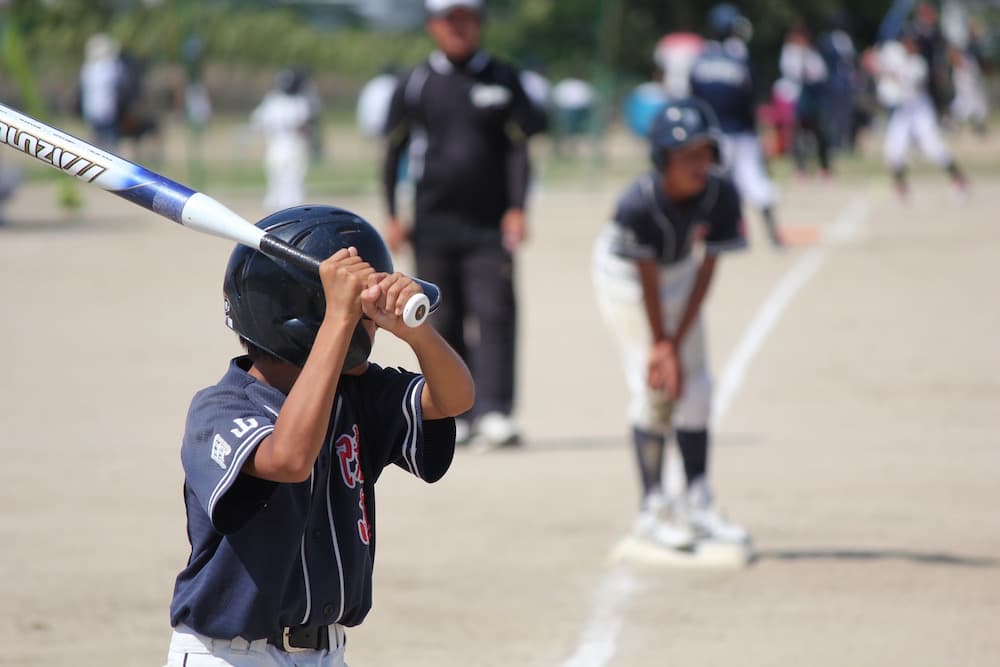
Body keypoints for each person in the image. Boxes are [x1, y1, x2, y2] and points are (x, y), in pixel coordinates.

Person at [163, 206, 474, 667]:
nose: (370, 325)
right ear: (310, 323)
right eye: (361, 317)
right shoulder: (220, 408)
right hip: (229, 655)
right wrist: (339, 322)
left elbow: (454, 399)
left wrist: (418, 333)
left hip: (326, 654)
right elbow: (289, 457)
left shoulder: (359, 394)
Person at [382, 0, 546, 446]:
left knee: (495, 311)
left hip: (489, 225)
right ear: (434, 25)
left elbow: (518, 149)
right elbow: (394, 150)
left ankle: (495, 410)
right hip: (432, 223)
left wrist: (517, 207)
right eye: (450, 19)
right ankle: (460, 409)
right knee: (439, 314)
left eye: (467, 18)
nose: (459, 28)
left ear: (479, 23)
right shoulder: (415, 82)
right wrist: (395, 215)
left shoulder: (502, 78)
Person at [592, 98, 751, 552]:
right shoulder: (637, 205)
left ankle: (698, 498)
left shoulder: (722, 193)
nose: (698, 165)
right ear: (662, 159)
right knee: (655, 385)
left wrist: (676, 342)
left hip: (680, 272)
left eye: (704, 153)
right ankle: (652, 507)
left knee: (698, 386)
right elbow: (644, 282)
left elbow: (706, 270)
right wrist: (661, 347)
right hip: (625, 277)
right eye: (685, 156)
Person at [690, 4, 784, 248]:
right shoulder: (740, 59)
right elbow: (751, 97)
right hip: (741, 134)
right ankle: (773, 235)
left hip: (712, 135)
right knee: (754, 182)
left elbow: (695, 98)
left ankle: (711, 233)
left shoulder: (701, 59)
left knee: (708, 186)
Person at [869, 31, 967, 199]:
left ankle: (958, 179)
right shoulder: (894, 53)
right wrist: (873, 60)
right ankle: (900, 186)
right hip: (902, 110)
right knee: (893, 149)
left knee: (933, 146)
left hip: (920, 109)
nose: (909, 46)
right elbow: (874, 59)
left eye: (912, 43)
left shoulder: (919, 64)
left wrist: (882, 70)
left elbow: (903, 80)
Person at [251, 68, 314, 212]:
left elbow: (258, 123)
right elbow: (304, 126)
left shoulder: (271, 102)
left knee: (275, 186)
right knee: (294, 186)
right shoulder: (299, 102)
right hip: (294, 146)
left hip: (275, 147)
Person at [780, 24, 832, 177]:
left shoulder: (813, 54)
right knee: (796, 135)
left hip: (812, 99)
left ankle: (824, 167)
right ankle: (800, 168)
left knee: (818, 133)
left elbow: (820, 74)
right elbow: (792, 72)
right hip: (796, 99)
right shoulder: (789, 53)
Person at [79, 33, 123, 150]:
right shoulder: (110, 67)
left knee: (98, 142)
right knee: (108, 142)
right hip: (106, 110)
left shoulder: (88, 68)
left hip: (95, 110)